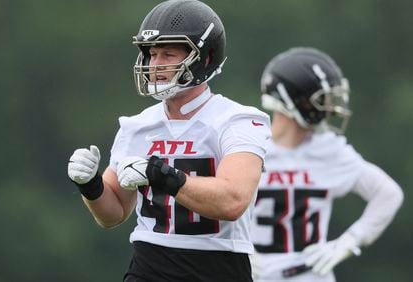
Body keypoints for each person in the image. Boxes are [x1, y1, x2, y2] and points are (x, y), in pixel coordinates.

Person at [67, 0, 271, 281]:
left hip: (218, 267)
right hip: (149, 265)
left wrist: (161, 175)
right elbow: (112, 214)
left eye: (168, 54)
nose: (155, 65)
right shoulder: (137, 125)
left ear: (205, 58)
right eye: (152, 54)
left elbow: (232, 201)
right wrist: (90, 185)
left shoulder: (238, 120)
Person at [250, 47, 404, 282]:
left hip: (310, 276)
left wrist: (349, 241)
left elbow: (388, 194)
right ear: (294, 99)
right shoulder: (249, 146)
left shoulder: (329, 150)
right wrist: (230, 252)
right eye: (323, 98)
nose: (331, 107)